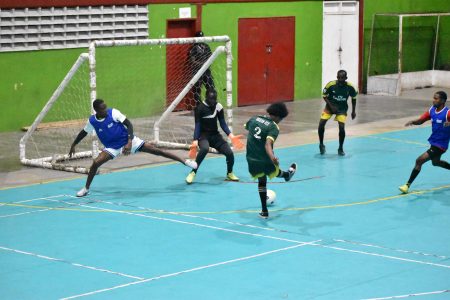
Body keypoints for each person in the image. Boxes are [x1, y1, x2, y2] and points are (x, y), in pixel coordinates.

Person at [70, 99, 197, 197]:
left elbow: (128, 124)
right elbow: (84, 132)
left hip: (128, 140)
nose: (105, 109)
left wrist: (129, 142)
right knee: (95, 163)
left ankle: (185, 161)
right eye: (103, 108)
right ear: (96, 110)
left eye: (105, 107)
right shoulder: (92, 121)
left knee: (156, 151)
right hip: (112, 147)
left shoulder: (113, 113)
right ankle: (86, 189)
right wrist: (74, 144)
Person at [245, 102, 297, 219]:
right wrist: (272, 157)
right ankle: (287, 175)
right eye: (281, 119)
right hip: (264, 158)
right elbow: (268, 144)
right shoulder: (273, 127)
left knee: (262, 181)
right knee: (272, 171)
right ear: (278, 116)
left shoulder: (254, 118)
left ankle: (264, 211)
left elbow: (247, 127)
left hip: (251, 157)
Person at [186, 89, 243, 184]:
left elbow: (223, 123)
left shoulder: (218, 107)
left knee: (229, 153)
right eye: (210, 99)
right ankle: (193, 172)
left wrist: (231, 136)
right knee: (204, 149)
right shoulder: (199, 108)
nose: (213, 101)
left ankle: (229, 173)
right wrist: (195, 140)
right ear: (206, 98)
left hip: (215, 135)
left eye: (214, 99)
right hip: (203, 136)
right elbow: (198, 126)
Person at [399, 91, 450, 194]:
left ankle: (407, 185)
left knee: (419, 161)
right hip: (434, 142)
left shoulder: (448, 113)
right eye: (433, 98)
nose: (434, 100)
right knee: (435, 163)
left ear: (443, 101)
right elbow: (421, 120)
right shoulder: (432, 110)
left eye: (436, 98)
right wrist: (413, 122)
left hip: (441, 145)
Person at [318, 70, 357, 156]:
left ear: (346, 78)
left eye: (342, 78)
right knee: (321, 124)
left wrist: (353, 111)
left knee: (342, 128)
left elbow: (354, 98)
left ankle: (340, 148)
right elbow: (324, 96)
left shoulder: (350, 87)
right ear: (337, 77)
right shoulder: (331, 85)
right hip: (330, 106)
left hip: (342, 109)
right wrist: (331, 106)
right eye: (338, 77)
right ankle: (321, 144)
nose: (340, 79)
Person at [189, 31, 215, 103]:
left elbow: (211, 57)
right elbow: (192, 61)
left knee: (211, 87)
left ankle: (210, 103)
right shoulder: (193, 48)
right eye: (200, 37)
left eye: (202, 37)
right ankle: (199, 106)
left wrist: (207, 64)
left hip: (206, 71)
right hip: (197, 71)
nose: (201, 38)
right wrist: (202, 64)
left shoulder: (206, 47)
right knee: (197, 90)